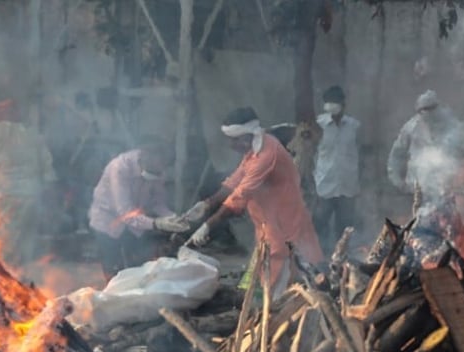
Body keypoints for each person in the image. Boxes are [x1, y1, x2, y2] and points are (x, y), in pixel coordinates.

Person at [183, 106, 324, 295]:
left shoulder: (267, 155)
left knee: (278, 282)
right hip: (267, 225)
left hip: (283, 225)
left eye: (234, 140)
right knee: (260, 274)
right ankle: (254, 303)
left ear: (248, 135)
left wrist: (207, 225)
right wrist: (207, 203)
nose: (230, 145)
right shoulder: (253, 150)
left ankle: (273, 314)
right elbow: (235, 179)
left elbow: (240, 196)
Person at [0, 98, 57, 266]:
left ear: (4, 113)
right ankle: (17, 278)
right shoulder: (35, 135)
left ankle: (1, 281)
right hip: (30, 197)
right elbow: (48, 173)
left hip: (2, 197)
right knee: (23, 243)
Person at [88, 137, 187, 278]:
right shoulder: (119, 168)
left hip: (135, 225)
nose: (159, 173)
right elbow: (125, 212)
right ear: (144, 156)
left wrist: (172, 218)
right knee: (113, 270)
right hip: (108, 222)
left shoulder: (158, 168)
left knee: (138, 270)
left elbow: (157, 203)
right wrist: (156, 223)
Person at [387, 90, 464, 204]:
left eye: (432, 108)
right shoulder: (411, 128)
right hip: (417, 190)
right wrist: (398, 181)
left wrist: (461, 179)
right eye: (424, 110)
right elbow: (397, 155)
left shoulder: (452, 124)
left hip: (446, 188)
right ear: (419, 111)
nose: (429, 113)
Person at [313, 85, 362, 252]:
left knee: (345, 225)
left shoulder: (354, 126)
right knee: (320, 222)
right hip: (325, 184)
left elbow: (359, 153)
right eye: (330, 102)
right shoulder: (317, 126)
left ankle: (341, 257)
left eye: (336, 102)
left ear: (343, 104)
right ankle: (319, 255)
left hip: (348, 184)